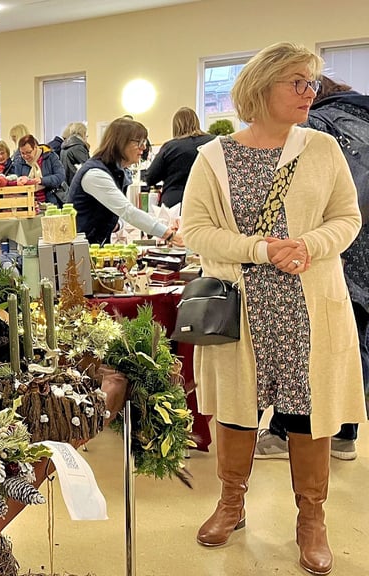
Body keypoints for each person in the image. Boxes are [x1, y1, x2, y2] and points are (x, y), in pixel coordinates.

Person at [181, 42, 365, 576]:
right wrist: (261, 249)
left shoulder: (323, 149)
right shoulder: (212, 158)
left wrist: (309, 245)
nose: (311, 92)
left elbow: (347, 218)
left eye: (313, 83)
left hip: (310, 306)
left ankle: (312, 519)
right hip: (239, 308)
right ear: (261, 89)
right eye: (298, 83)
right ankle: (231, 504)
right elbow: (196, 231)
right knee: (237, 411)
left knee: (310, 412)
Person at [255, 75, 369, 463]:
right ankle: (345, 434)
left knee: (307, 349)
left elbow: (297, 198)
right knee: (348, 348)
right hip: (352, 245)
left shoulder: (318, 129)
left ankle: (286, 432)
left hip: (325, 253)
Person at [68, 118, 179, 245]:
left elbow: (122, 212)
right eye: (139, 142)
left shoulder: (115, 171)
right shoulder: (95, 174)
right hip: (81, 250)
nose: (143, 147)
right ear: (120, 143)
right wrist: (169, 235)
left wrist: (115, 223)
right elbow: (128, 211)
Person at [144, 107, 215, 212]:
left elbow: (150, 177)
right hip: (208, 201)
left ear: (176, 126)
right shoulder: (214, 142)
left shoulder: (170, 147)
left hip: (175, 202)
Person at [12, 134, 66, 206]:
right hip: (29, 204)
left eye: (28, 152)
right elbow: (15, 181)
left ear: (35, 147)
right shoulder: (19, 162)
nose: (25, 156)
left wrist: (42, 180)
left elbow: (60, 176)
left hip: (51, 201)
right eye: (22, 153)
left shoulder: (50, 157)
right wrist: (19, 182)